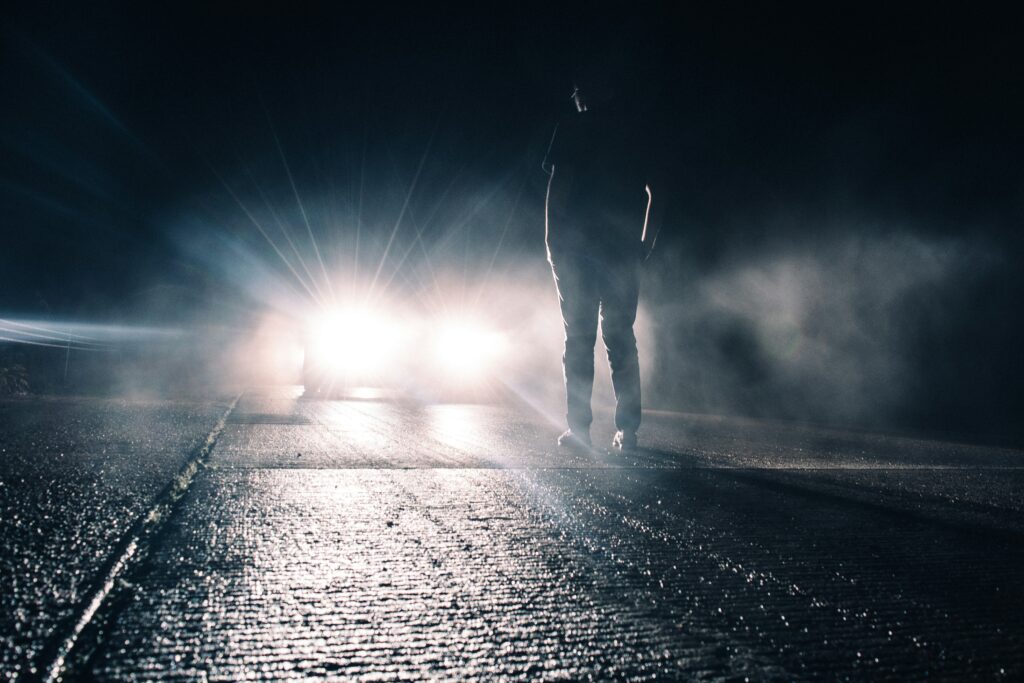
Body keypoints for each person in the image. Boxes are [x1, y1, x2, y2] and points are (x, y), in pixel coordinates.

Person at [543, 80, 661, 452]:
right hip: (622, 251)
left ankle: (579, 430)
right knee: (621, 338)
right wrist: (645, 243)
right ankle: (628, 431)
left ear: (584, 94)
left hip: (577, 250)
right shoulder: (639, 131)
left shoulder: (574, 127)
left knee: (579, 339)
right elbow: (657, 192)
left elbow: (559, 188)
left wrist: (552, 242)